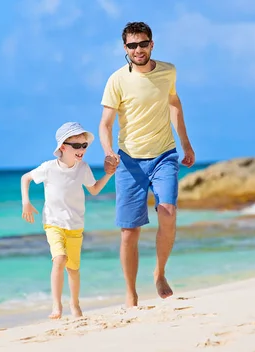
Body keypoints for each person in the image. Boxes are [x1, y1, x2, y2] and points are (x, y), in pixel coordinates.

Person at [98, 21, 196, 307]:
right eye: (132, 45)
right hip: (129, 160)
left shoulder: (168, 71)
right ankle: (131, 293)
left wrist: (186, 144)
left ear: (152, 44)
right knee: (129, 231)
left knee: (168, 211)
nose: (138, 50)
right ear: (124, 48)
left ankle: (160, 272)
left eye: (143, 44)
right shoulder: (117, 79)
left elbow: (174, 103)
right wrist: (108, 153)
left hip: (164, 154)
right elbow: (105, 124)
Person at [20, 122, 116, 319]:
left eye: (84, 146)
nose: (81, 150)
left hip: (75, 224)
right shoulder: (48, 168)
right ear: (63, 147)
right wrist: (26, 203)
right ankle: (57, 306)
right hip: (53, 223)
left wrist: (108, 174)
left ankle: (75, 304)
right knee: (60, 259)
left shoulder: (83, 168)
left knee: (73, 268)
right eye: (76, 146)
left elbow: (94, 189)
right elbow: (25, 178)